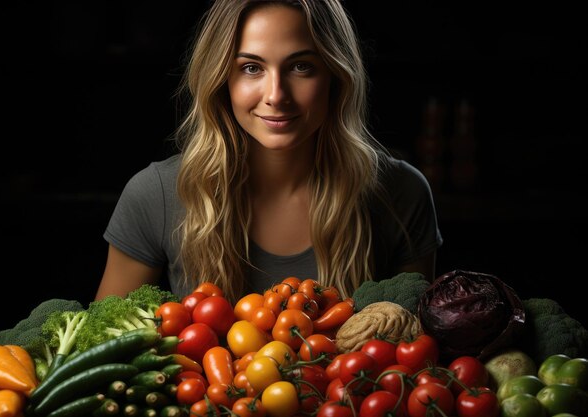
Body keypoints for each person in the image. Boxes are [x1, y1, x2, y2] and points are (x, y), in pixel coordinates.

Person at [95, 0, 443, 304]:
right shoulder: (155, 195)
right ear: (220, 79)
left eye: (301, 66)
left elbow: (415, 353)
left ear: (336, 77)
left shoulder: (401, 193)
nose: (276, 95)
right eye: (251, 68)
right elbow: (101, 346)